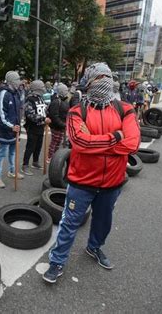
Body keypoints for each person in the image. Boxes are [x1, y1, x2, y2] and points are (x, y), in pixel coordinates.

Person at [42, 63, 140, 284]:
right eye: (98, 77)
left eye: (107, 76)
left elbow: (132, 144)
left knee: (103, 222)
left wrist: (97, 142)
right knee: (69, 225)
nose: (103, 80)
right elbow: (79, 142)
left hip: (112, 183)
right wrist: (116, 137)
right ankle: (57, 261)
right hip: (81, 182)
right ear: (88, 82)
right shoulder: (78, 111)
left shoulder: (126, 109)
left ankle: (94, 247)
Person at [0, 71, 24, 188]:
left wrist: (18, 124)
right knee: (2, 153)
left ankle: (12, 171)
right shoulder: (4, 93)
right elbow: (1, 114)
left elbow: (17, 111)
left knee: (13, 151)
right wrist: (11, 126)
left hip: (14, 130)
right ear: (11, 81)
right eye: (17, 80)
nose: (19, 82)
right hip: (5, 130)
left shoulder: (16, 93)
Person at [21, 80, 47, 175]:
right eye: (42, 86)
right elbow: (30, 114)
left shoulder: (41, 98)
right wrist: (43, 118)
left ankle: (35, 162)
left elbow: (44, 110)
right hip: (32, 127)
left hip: (41, 126)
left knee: (38, 146)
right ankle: (25, 165)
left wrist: (46, 117)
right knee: (30, 146)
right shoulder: (30, 99)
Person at [47, 83, 70, 162]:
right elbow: (54, 116)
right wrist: (62, 124)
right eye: (65, 90)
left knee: (58, 143)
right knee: (54, 142)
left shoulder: (65, 101)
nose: (67, 92)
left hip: (62, 126)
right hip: (56, 126)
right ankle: (50, 157)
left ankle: (55, 158)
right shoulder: (56, 102)